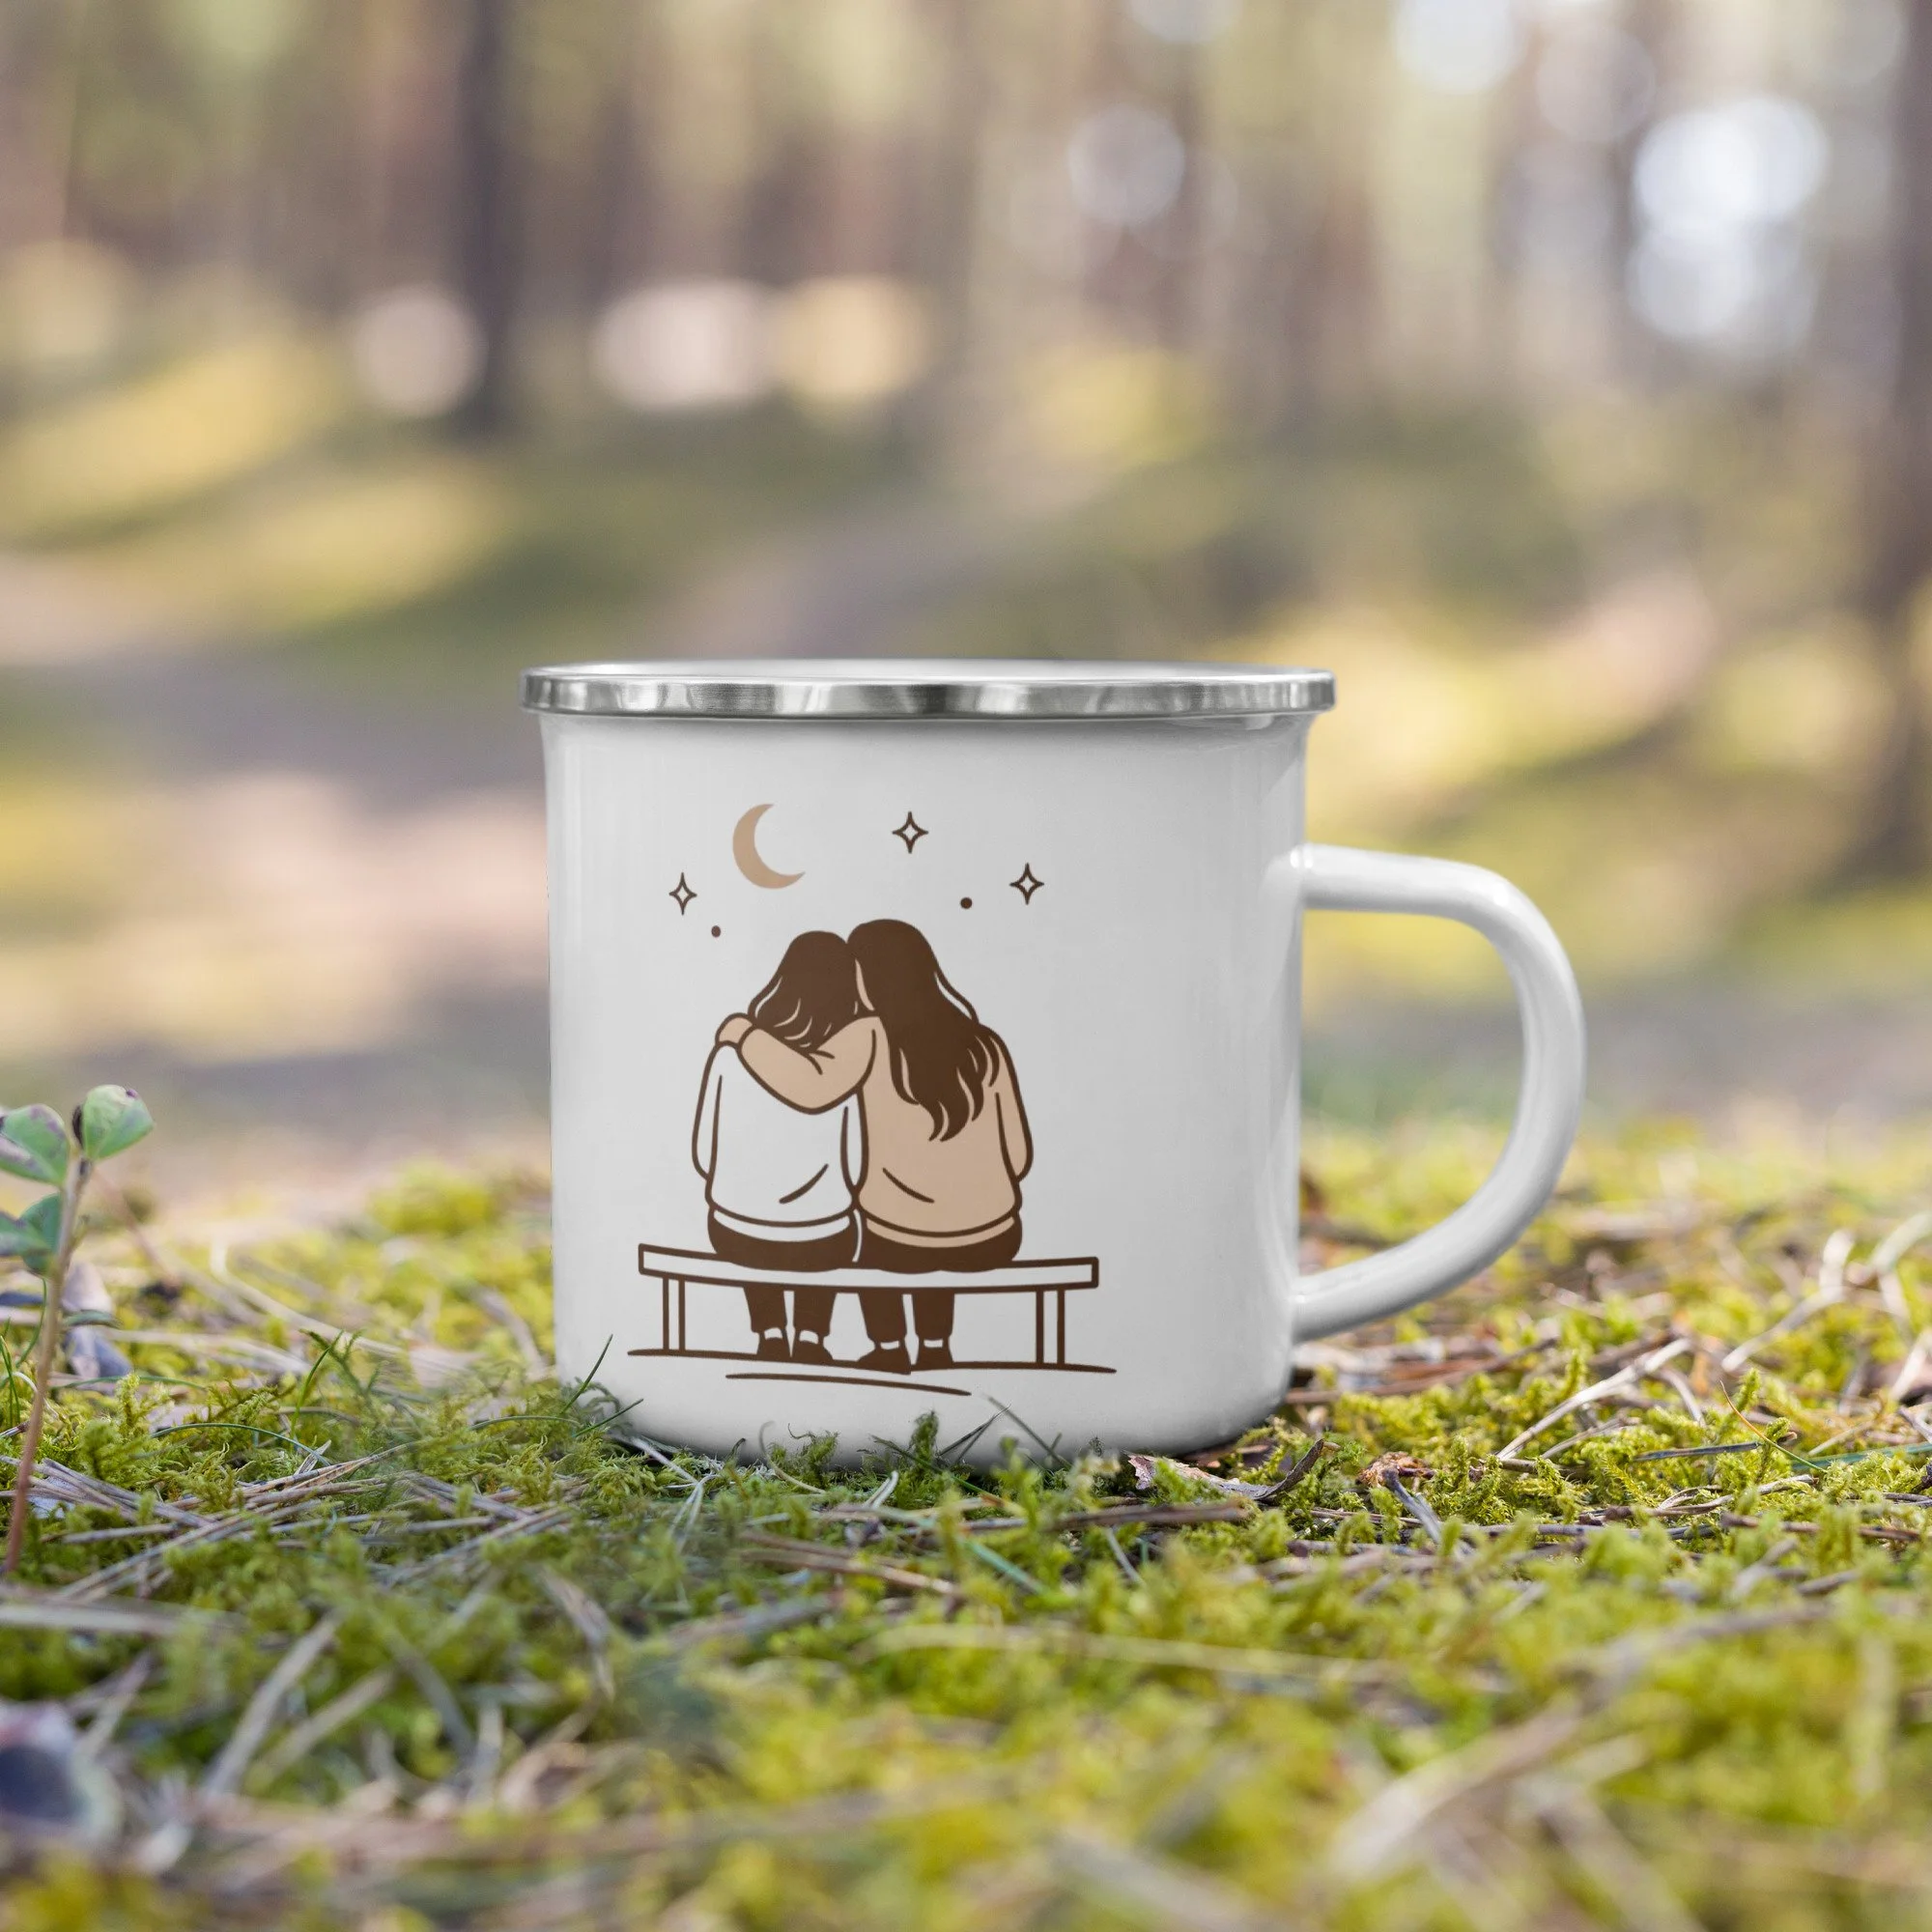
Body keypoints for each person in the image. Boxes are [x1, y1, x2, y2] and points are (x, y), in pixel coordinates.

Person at [718, 919, 1031, 1375]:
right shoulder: (986, 1044)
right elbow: (1017, 1157)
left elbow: (809, 1088)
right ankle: (936, 1346)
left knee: (863, 1233)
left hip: (897, 1241)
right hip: (995, 1237)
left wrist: (746, 1035)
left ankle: (888, 1346)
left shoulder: (870, 1034)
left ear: (871, 975)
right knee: (928, 1229)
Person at [692, 931, 862, 1363]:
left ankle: (769, 1334)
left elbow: (702, 1153)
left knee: (753, 1232)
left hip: (734, 1226)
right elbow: (857, 1164)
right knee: (830, 1236)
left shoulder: (729, 1058)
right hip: (824, 1231)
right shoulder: (840, 1067)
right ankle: (810, 1338)